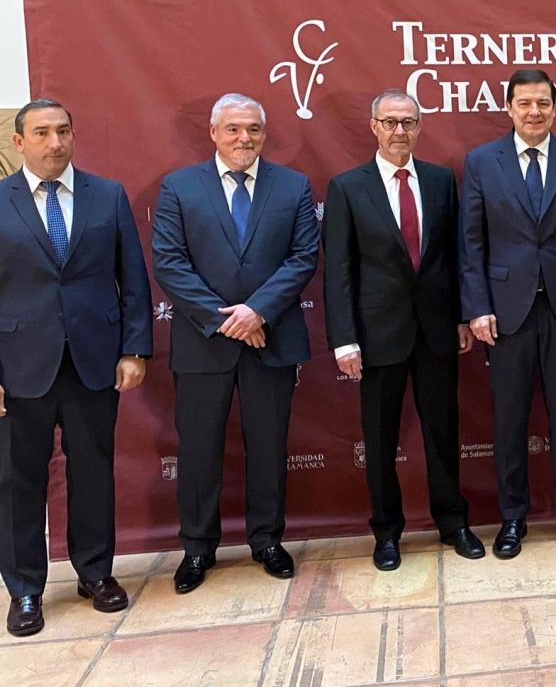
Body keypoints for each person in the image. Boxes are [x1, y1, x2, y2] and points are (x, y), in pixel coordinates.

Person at [152, 93, 318, 593]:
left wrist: (257, 311)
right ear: (213, 133)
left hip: (271, 338)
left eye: (253, 129)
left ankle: (267, 540)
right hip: (204, 343)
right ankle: (197, 548)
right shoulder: (179, 187)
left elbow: (303, 257)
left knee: (269, 446)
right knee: (198, 450)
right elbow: (169, 263)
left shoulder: (293, 186)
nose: (244, 138)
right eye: (233, 129)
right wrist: (227, 320)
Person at [0, 99, 151, 638]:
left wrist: (134, 349)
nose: (55, 142)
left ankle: (95, 574)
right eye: (42, 132)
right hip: (19, 367)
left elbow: (133, 278)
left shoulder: (106, 195)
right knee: (17, 481)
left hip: (94, 360)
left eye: (63, 130)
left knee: (93, 471)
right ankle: (24, 590)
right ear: (20, 142)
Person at [323, 90, 483, 570]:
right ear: (373, 126)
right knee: (379, 439)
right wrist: (344, 339)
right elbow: (339, 270)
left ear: (419, 127)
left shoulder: (439, 180)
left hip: (436, 330)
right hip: (376, 334)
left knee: (443, 431)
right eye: (390, 122)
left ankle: (452, 522)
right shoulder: (347, 187)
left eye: (408, 122)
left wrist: (461, 316)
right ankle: (387, 533)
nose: (399, 131)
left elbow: (454, 256)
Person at [459, 68, 556, 558]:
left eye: (543, 102)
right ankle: (512, 518)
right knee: (509, 422)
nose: (534, 111)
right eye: (524, 103)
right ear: (509, 107)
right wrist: (477, 307)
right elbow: (471, 242)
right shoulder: (482, 162)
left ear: (555, 107)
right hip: (505, 314)